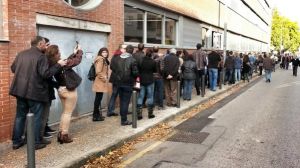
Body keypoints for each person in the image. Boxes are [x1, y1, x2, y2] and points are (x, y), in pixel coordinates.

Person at [10, 36, 66, 150]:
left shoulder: (21, 54)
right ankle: (35, 142)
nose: (46, 46)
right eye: (45, 44)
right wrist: (58, 65)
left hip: (19, 91)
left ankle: (16, 142)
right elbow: (46, 74)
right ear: (40, 44)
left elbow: (13, 68)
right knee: (36, 117)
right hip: (34, 92)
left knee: (20, 116)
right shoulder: (41, 57)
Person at [46, 44, 83, 144]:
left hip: (61, 90)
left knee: (65, 112)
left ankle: (60, 133)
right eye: (58, 51)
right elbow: (76, 61)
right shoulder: (61, 63)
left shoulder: (52, 63)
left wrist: (74, 53)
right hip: (69, 91)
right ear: (55, 53)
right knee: (68, 113)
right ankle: (64, 135)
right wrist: (79, 52)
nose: (60, 53)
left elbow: (69, 61)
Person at [110, 45, 139, 126]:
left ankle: (123, 118)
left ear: (126, 50)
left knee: (122, 100)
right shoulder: (132, 60)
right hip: (128, 83)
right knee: (125, 102)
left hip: (119, 82)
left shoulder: (117, 58)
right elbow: (135, 73)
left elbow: (113, 68)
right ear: (132, 51)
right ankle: (124, 120)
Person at [137, 48, 157, 120]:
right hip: (150, 80)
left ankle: (139, 114)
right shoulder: (153, 62)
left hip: (142, 80)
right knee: (150, 96)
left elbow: (138, 69)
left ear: (145, 53)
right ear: (151, 54)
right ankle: (150, 114)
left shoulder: (140, 60)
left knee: (140, 97)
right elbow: (155, 70)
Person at [107, 44, 127, 117]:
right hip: (120, 78)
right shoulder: (122, 56)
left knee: (114, 94)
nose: (126, 49)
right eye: (125, 48)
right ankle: (123, 110)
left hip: (114, 78)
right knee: (122, 95)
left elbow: (111, 67)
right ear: (121, 48)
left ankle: (110, 111)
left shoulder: (114, 55)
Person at [92, 47, 110, 121]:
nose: (105, 53)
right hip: (100, 81)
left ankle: (97, 115)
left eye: (106, 52)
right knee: (98, 99)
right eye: (103, 52)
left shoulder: (103, 59)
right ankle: (95, 116)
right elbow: (98, 71)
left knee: (98, 99)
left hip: (100, 81)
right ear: (100, 53)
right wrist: (104, 78)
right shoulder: (100, 59)